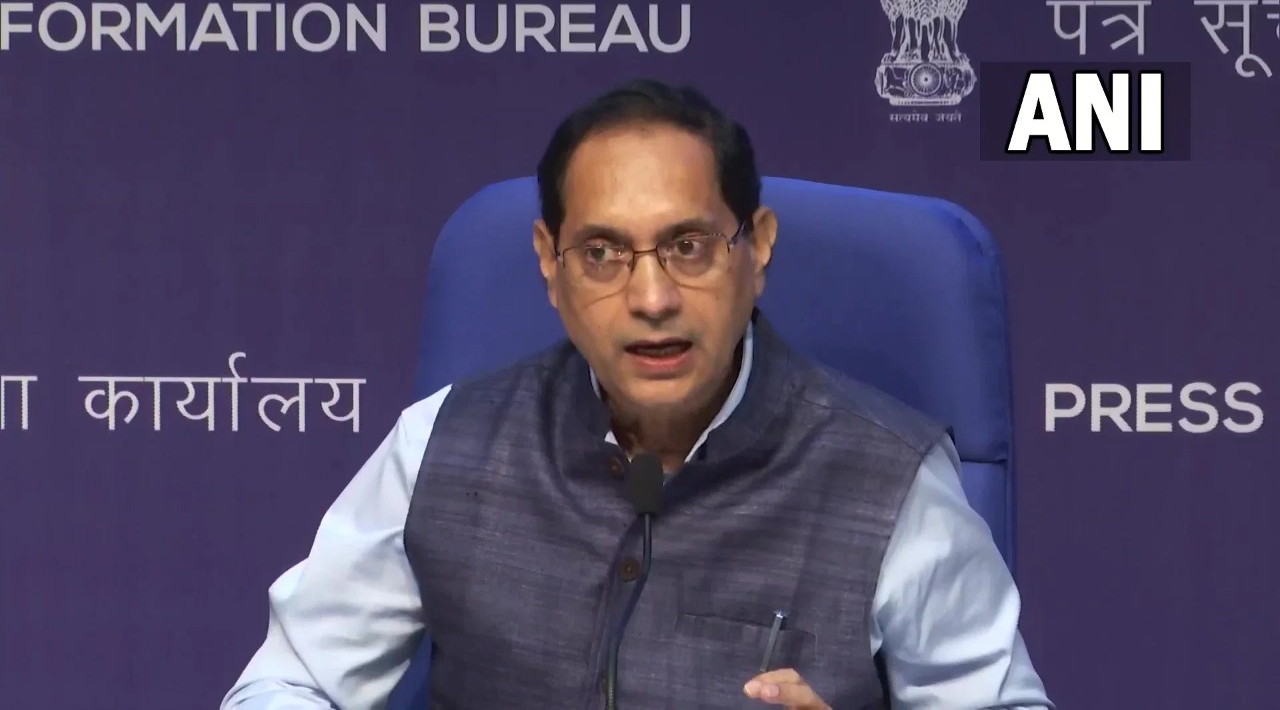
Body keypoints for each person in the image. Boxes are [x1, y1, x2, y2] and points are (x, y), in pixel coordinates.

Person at [221, 79, 1053, 710]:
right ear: (549, 264)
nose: (651, 298)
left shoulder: (889, 478)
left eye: (689, 246)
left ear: (757, 248)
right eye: (602, 254)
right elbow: (290, 683)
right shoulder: (444, 443)